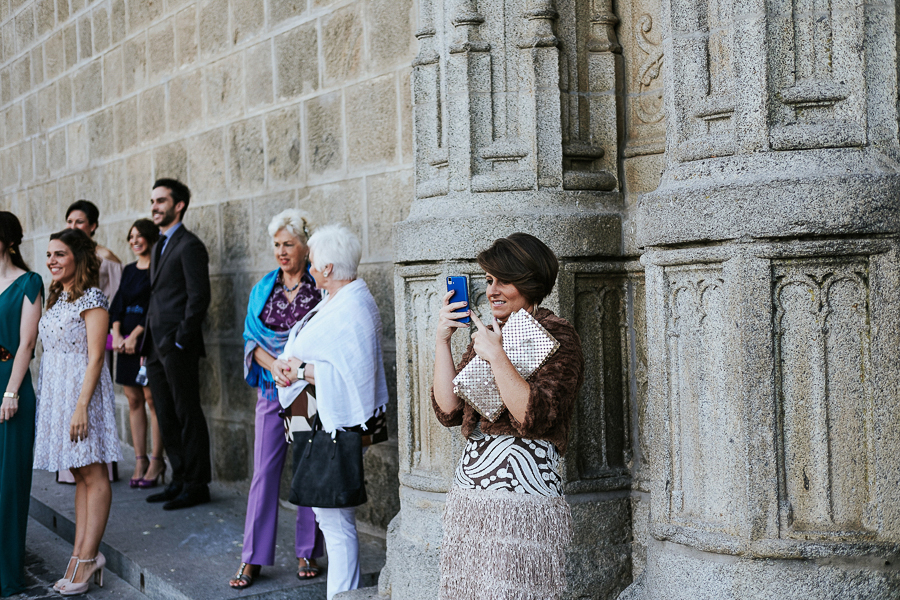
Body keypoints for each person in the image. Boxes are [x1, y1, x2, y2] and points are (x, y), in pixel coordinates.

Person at [431, 233, 585, 600]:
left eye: (504, 280)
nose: (492, 291)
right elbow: (449, 410)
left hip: (521, 496)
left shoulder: (558, 336)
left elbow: (534, 417)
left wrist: (497, 357)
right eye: (489, 280)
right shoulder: (488, 335)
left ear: (530, 282)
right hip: (472, 491)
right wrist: (442, 340)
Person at [273, 224, 389, 600]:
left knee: (336, 520)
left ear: (327, 268)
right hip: (318, 421)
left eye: (313, 262)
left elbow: (352, 373)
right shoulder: (337, 300)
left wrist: (298, 371)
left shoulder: (352, 306)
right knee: (330, 516)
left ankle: (342, 595)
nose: (309, 268)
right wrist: (287, 366)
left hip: (333, 424)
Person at [229, 209, 325, 590]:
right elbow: (251, 339)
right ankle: (252, 556)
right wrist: (277, 367)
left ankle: (307, 550)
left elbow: (326, 336)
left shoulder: (319, 286)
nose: (282, 251)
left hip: (306, 391)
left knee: (306, 466)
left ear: (305, 247)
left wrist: (296, 369)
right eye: (277, 245)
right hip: (272, 389)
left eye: (289, 244)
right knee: (264, 472)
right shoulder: (263, 288)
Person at [32, 228, 122, 596]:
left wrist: (81, 406)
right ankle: (79, 554)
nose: (51, 261)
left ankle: (89, 559)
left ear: (78, 258)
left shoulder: (92, 297)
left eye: (60, 254)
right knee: (80, 472)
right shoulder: (58, 297)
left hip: (82, 395)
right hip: (58, 392)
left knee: (93, 471)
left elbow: (97, 356)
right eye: (49, 254)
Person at [142, 178, 212, 511]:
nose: (154, 206)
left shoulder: (190, 245)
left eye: (161, 201)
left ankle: (197, 485)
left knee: (187, 414)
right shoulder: (159, 245)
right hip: (155, 346)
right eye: (152, 201)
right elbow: (156, 297)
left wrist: (181, 340)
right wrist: (147, 344)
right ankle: (179, 479)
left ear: (179, 205)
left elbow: (199, 298)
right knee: (166, 415)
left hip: (177, 346)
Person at [0, 212, 43, 597]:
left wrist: (11, 392)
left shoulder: (29, 282)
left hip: (10, 385)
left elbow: (26, 344)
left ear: (9, 241)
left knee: (9, 483)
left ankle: (7, 574)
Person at [110, 219, 165, 488]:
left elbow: (155, 305)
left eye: (139, 236)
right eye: (131, 236)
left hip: (147, 341)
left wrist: (134, 336)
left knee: (152, 400)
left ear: (151, 238)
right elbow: (118, 304)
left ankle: (157, 460)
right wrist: (117, 335)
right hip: (125, 344)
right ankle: (140, 459)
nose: (134, 241)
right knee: (133, 400)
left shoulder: (159, 267)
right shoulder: (129, 270)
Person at [65, 200, 123, 302]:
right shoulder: (62, 255)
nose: (73, 227)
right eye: (69, 221)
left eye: (79, 222)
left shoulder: (105, 257)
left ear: (92, 226)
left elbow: (119, 296)